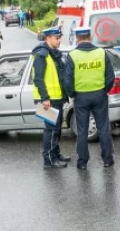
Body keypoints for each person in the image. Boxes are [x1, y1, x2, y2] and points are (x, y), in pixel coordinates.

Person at [67, 25, 115, 169]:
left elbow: (68, 80)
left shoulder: (72, 55)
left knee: (82, 130)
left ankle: (82, 162)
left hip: (81, 97)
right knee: (103, 128)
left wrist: (72, 94)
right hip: (99, 95)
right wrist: (104, 90)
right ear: (90, 37)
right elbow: (110, 76)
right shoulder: (101, 52)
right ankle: (107, 160)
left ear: (77, 38)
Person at [32, 27, 72, 168]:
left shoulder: (54, 54)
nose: (59, 40)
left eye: (60, 37)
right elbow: (38, 79)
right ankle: (49, 160)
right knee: (50, 130)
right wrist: (44, 98)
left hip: (57, 98)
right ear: (48, 38)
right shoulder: (41, 55)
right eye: (57, 38)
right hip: (47, 99)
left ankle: (55, 154)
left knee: (57, 128)